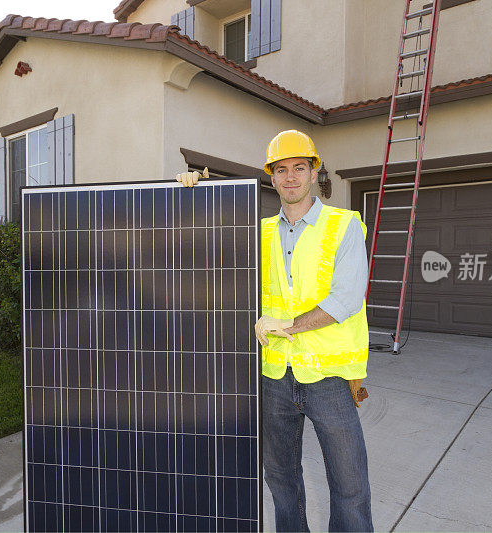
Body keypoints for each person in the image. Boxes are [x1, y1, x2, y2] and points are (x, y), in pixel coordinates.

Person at [177, 129, 372, 532]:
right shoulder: (259, 232)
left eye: (299, 167)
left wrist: (290, 325)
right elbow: (207, 246)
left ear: (314, 171)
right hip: (274, 377)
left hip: (330, 379)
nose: (290, 177)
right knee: (281, 479)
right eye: (280, 169)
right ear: (271, 176)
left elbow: (347, 298)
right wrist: (190, 194)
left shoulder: (344, 225)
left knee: (350, 488)